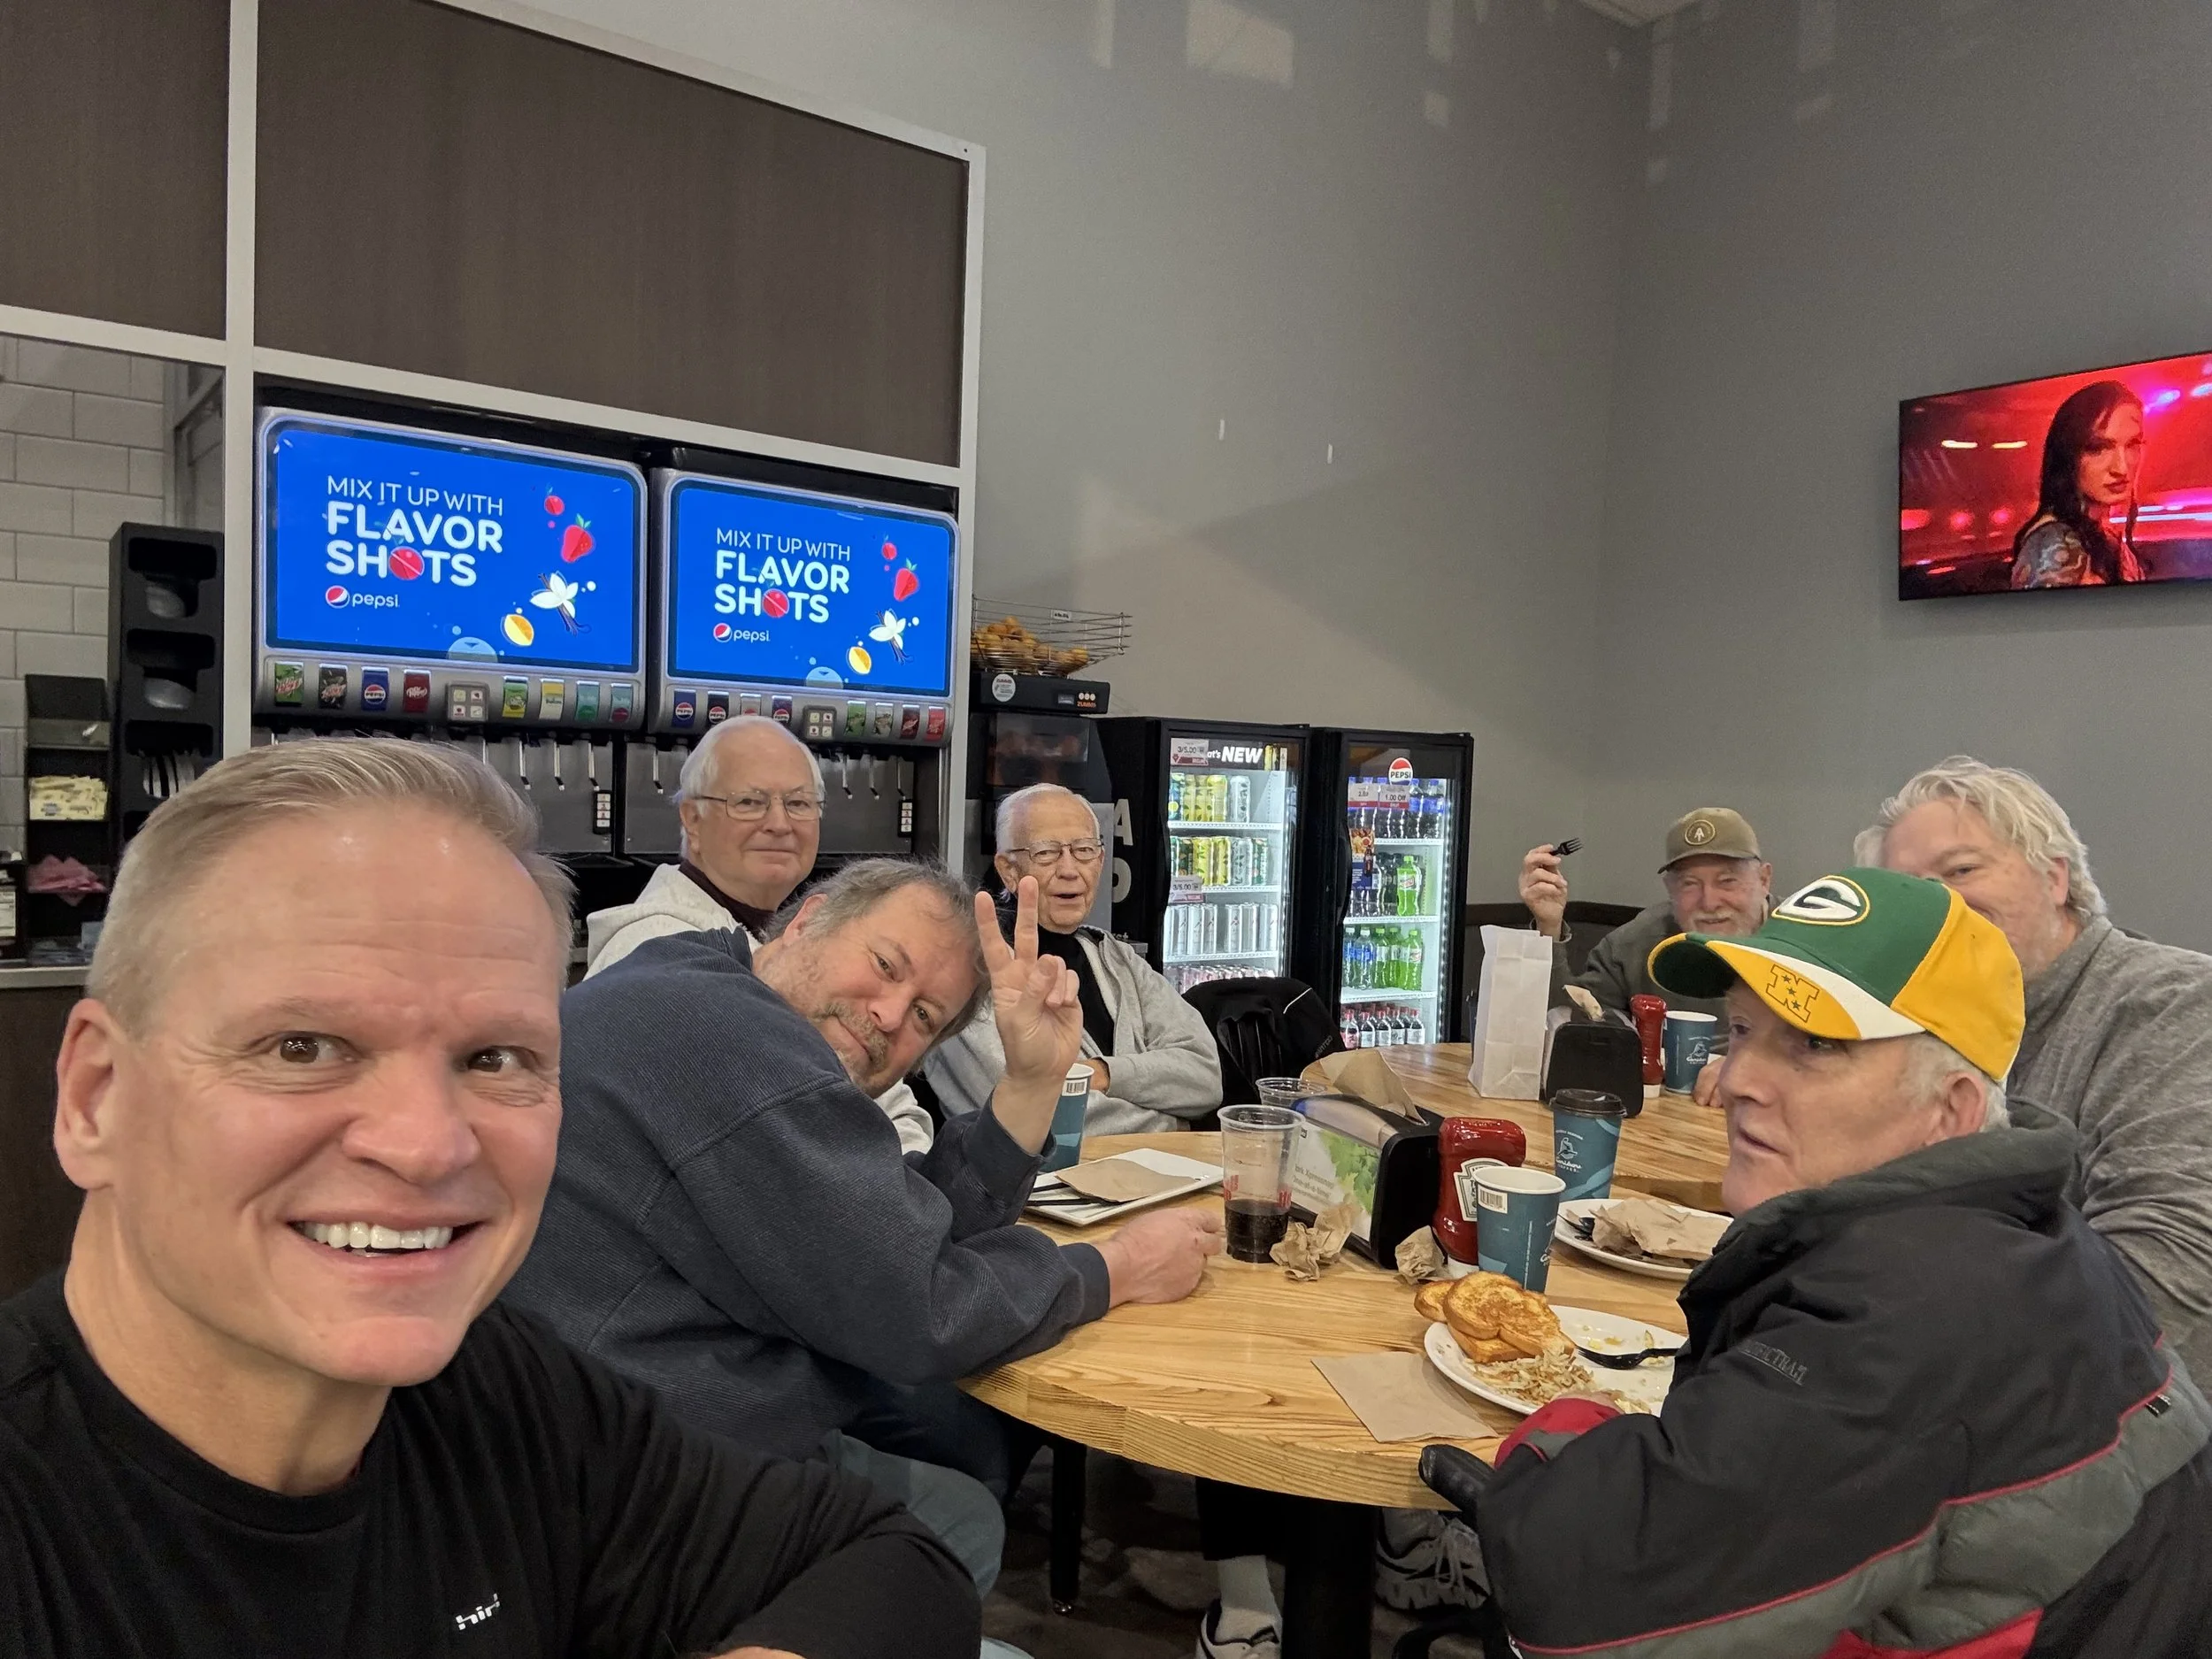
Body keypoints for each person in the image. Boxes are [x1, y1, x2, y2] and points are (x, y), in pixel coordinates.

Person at [0, 737, 979, 1657]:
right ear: (97, 1098)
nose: (427, 1145)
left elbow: (892, 1563)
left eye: (494, 1057)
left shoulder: (502, 1396)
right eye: (302, 1046)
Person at [1423, 867, 2212, 1655]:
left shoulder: (1909, 1319)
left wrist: (1558, 1431)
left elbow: (1573, 1585)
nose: (1738, 1082)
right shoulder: (2024, 1233)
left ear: (1954, 1108)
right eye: (1741, 1031)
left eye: (1816, 1045)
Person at [503, 859, 1222, 1589]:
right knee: (954, 1532)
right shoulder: (735, 1039)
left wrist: (1033, 1083)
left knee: (962, 1499)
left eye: (923, 1018)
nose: (887, 1014)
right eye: (885, 964)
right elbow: (925, 1309)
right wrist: (1118, 1267)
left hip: (598, 1433)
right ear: (810, 918)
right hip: (612, 1500)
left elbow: (892, 1228)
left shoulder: (692, 979)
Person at [1858, 755, 2212, 1382]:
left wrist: (1917, 1356)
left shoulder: (2177, 1003)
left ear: (2055, 877)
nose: (1936, 905)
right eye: (1910, 891)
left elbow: (2170, 1272)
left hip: (2118, 1420)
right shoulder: (1930, 1020)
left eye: (1962, 869)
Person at [585, 714, 933, 1153]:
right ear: (693, 819)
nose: (779, 823)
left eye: (799, 804)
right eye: (749, 802)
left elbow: (895, 1109)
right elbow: (783, 1143)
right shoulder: (661, 953)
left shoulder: (791, 947)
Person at [926, 782, 1222, 1134]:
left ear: (1099, 861)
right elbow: (1044, 1123)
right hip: (1038, 1189)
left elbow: (1206, 1077)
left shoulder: (1115, 958)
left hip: (1150, 1183)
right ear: (1009, 870)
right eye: (1048, 853)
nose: (1070, 870)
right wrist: (1174, 1119)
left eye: (1083, 850)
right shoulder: (970, 970)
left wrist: (1104, 1072)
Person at [1516, 807, 1772, 1016]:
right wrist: (1548, 927)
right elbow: (1570, 1024)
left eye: (1727, 881)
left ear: (1764, 880)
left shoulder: (1805, 940)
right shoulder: (1634, 946)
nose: (1709, 902)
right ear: (1669, 889)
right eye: (1689, 884)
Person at [2009, 380, 2147, 588]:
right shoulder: (2055, 544)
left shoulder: (2104, 535)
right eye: (2098, 448)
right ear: (2068, 456)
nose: (2122, 467)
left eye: (2133, 444)